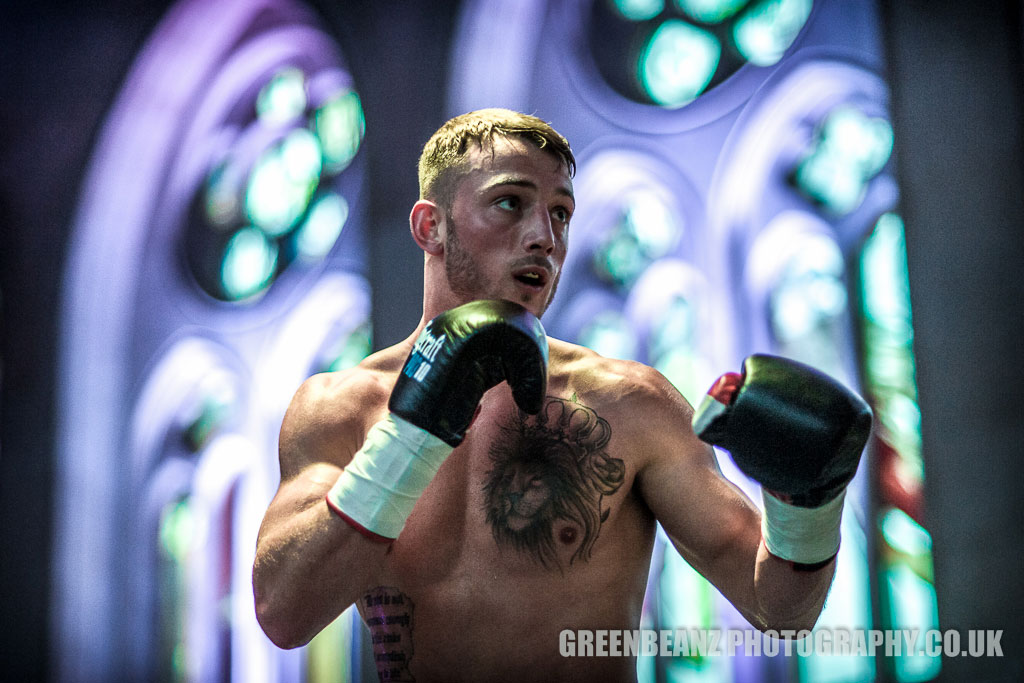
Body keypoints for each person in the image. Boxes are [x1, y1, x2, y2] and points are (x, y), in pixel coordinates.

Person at [252, 109, 871, 683]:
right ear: (429, 226)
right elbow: (284, 614)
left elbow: (780, 611)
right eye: (510, 203)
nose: (545, 236)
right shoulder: (341, 408)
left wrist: (807, 510)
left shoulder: (630, 404)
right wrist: (412, 430)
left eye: (561, 213)